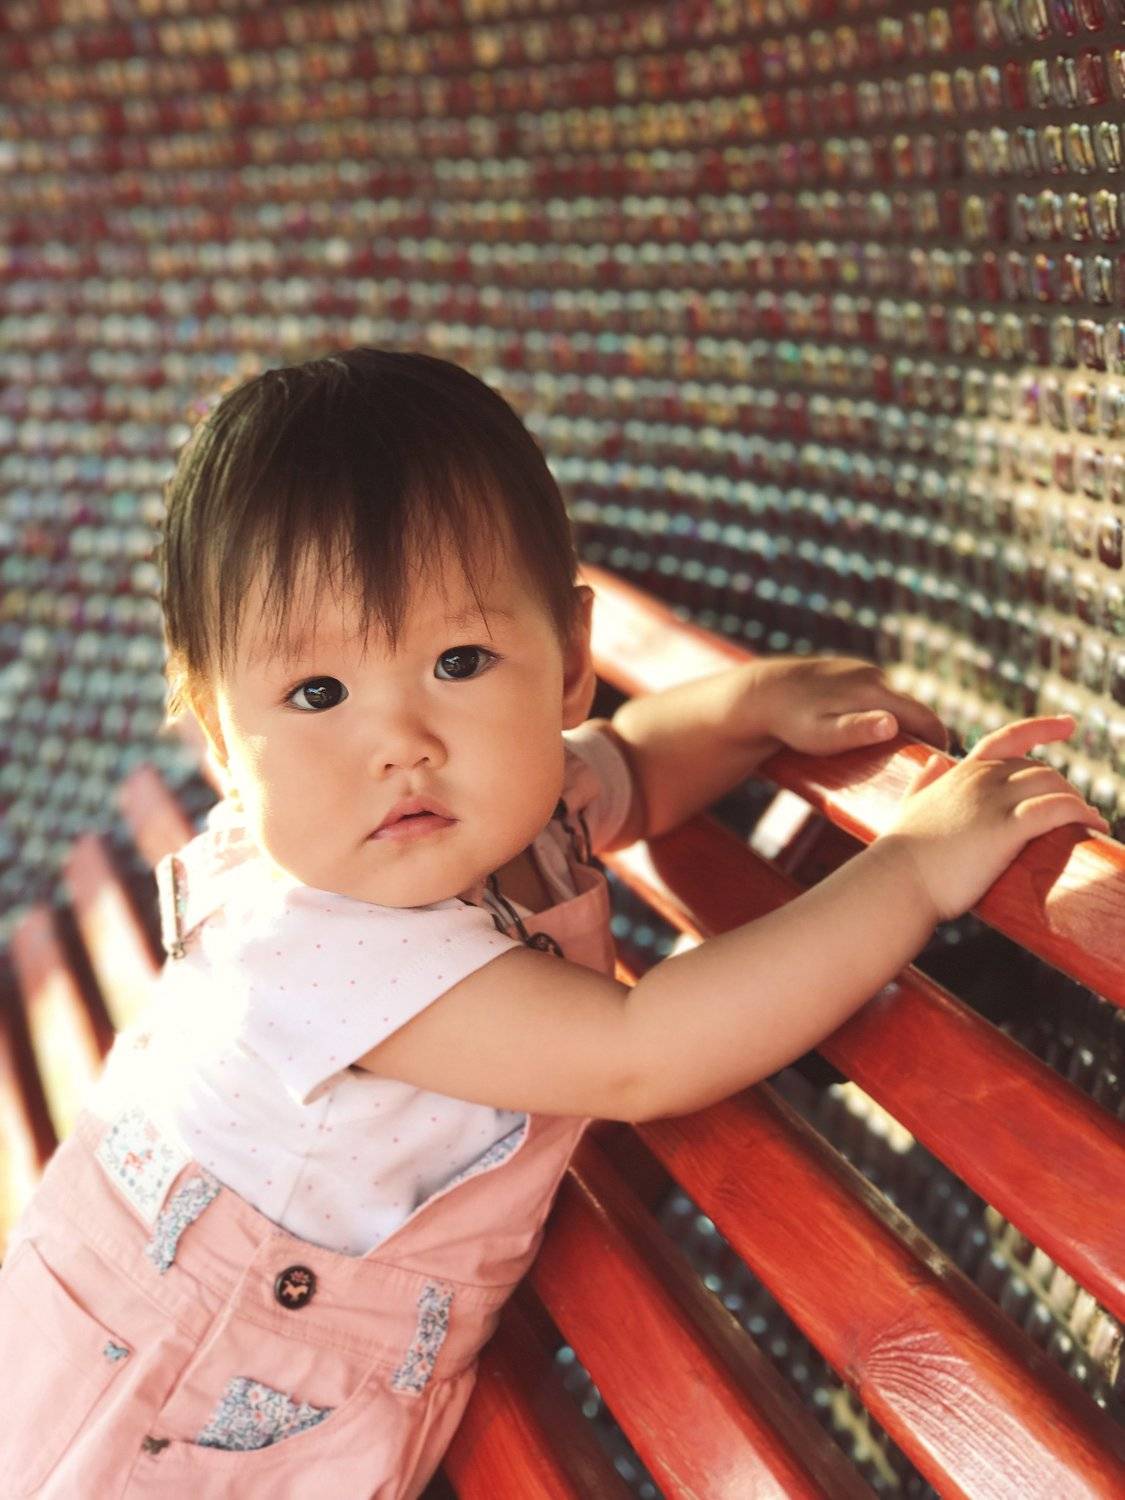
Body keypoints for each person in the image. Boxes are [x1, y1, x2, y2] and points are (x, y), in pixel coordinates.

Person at [0, 348, 1108, 1500]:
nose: (402, 742)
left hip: (286, 1379)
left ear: (570, 661)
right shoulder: (322, 950)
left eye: (459, 661)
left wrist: (752, 709)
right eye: (317, 693)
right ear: (219, 738)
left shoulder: (483, 813)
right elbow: (643, 1052)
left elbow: (631, 765)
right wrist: (915, 872)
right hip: (166, 1419)